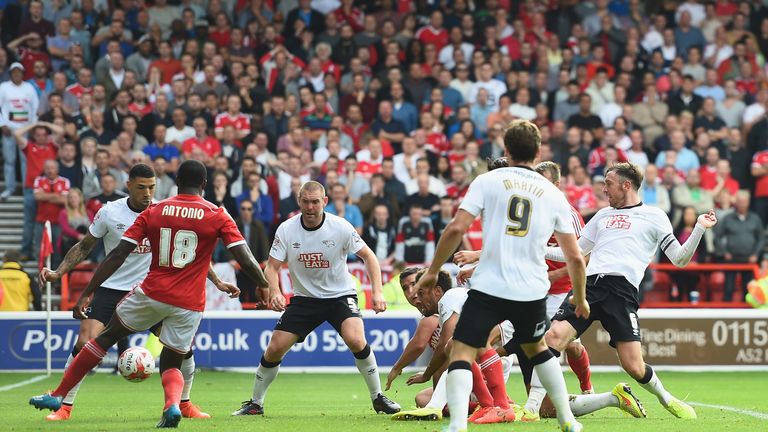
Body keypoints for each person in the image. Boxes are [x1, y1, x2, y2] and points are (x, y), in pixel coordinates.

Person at [31, 160, 270, 429]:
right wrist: (265, 284)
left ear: (173, 181)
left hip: (148, 289)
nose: (147, 193)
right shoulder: (113, 212)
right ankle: (66, 406)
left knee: (157, 348)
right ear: (129, 185)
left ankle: (182, 404)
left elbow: (136, 254)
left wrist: (215, 280)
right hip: (137, 291)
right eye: (142, 187)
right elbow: (87, 246)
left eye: (152, 187)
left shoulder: (157, 210)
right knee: (95, 339)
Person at [414, 119, 587, 432]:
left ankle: (456, 425)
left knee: (463, 350)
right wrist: (582, 298)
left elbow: (456, 228)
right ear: (537, 152)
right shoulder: (552, 193)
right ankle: (568, 420)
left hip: (490, 288)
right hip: (532, 290)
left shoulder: (488, 181)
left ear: (506, 150)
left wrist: (433, 270)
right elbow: (575, 256)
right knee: (538, 350)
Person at [543, 162, 718, 420]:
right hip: (589, 286)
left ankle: (666, 398)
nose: (604, 190)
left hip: (621, 291)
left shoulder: (655, 216)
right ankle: (551, 401)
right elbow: (575, 252)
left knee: (634, 366)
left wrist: (699, 227)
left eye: (608, 184)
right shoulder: (602, 215)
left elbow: (679, 259)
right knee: (552, 337)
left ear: (626, 185)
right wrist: (539, 248)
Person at [232, 181, 400, 417]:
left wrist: (378, 292)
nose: (310, 207)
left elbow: (369, 257)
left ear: (325, 202)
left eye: (315, 202)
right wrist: (276, 291)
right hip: (305, 299)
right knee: (275, 348)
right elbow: (272, 267)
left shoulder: (340, 227)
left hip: (340, 295)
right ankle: (255, 403)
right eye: (305, 202)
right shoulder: (287, 229)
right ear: (299, 201)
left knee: (356, 339)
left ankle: (378, 397)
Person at [0, 63, 39, 200]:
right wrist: (2, 124)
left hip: (25, 130)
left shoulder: (29, 88)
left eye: (19, 72)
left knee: (26, 161)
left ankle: (26, 189)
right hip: (9, 130)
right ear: (10, 74)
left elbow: (35, 108)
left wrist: (33, 127)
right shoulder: (3, 87)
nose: (17, 75)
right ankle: (9, 189)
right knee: (9, 160)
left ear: (23, 74)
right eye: (14, 72)